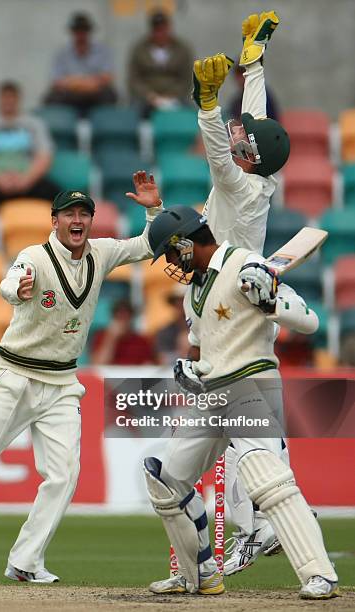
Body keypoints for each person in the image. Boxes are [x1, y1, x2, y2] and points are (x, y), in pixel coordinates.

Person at [0, 173, 163, 581]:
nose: (77, 221)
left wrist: (152, 210)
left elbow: (147, 245)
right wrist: (16, 290)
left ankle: (25, 561)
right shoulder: (34, 257)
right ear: (54, 220)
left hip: (61, 384)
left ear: (90, 221)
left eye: (84, 214)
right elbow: (11, 279)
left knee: (65, 474)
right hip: (15, 375)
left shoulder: (102, 252)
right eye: (69, 214)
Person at [150, 12, 293, 590]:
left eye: (243, 141)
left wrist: (205, 103)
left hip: (226, 323)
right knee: (232, 436)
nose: (238, 132)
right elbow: (254, 125)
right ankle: (242, 535)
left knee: (229, 437)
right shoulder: (256, 175)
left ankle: (259, 523)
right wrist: (252, 61)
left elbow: (219, 147)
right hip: (224, 313)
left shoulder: (238, 182)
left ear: (250, 158)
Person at [144, 205, 339, 600]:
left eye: (169, 252)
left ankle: (320, 575)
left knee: (265, 477)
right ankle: (197, 575)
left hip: (251, 384)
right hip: (212, 392)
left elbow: (309, 321)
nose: (169, 261)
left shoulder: (246, 263)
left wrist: (270, 302)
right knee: (166, 479)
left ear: (185, 243)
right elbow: (205, 350)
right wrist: (191, 371)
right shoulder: (192, 293)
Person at [0, 81, 60, 207]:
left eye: (12, 97)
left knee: (52, 193)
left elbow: (44, 156)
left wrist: (26, 180)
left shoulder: (34, 123)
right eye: (5, 97)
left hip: (27, 179)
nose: (8, 101)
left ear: (18, 99)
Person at [44, 12, 117, 116]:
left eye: (84, 30)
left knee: (110, 95)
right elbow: (57, 81)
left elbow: (107, 77)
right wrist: (85, 83)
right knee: (51, 97)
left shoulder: (103, 50)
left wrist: (76, 82)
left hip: (94, 93)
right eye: (77, 31)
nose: (81, 34)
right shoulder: (61, 53)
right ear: (72, 32)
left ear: (89, 32)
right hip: (70, 94)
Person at [127, 10, 192, 117]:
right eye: (157, 30)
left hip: (176, 97)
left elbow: (187, 78)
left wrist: (171, 96)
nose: (160, 33)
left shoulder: (182, 49)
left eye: (163, 29)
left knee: (190, 115)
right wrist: (149, 96)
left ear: (169, 28)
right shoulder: (139, 49)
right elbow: (134, 79)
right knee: (133, 113)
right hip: (146, 98)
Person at [91, 298, 156, 365]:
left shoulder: (141, 341)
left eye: (126, 316)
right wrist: (111, 338)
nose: (123, 321)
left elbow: (149, 364)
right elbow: (99, 363)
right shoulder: (101, 336)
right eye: (119, 317)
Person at [154, 285, 190, 365]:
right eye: (178, 302)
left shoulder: (202, 329)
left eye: (185, 301)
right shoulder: (164, 332)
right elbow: (162, 359)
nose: (182, 306)